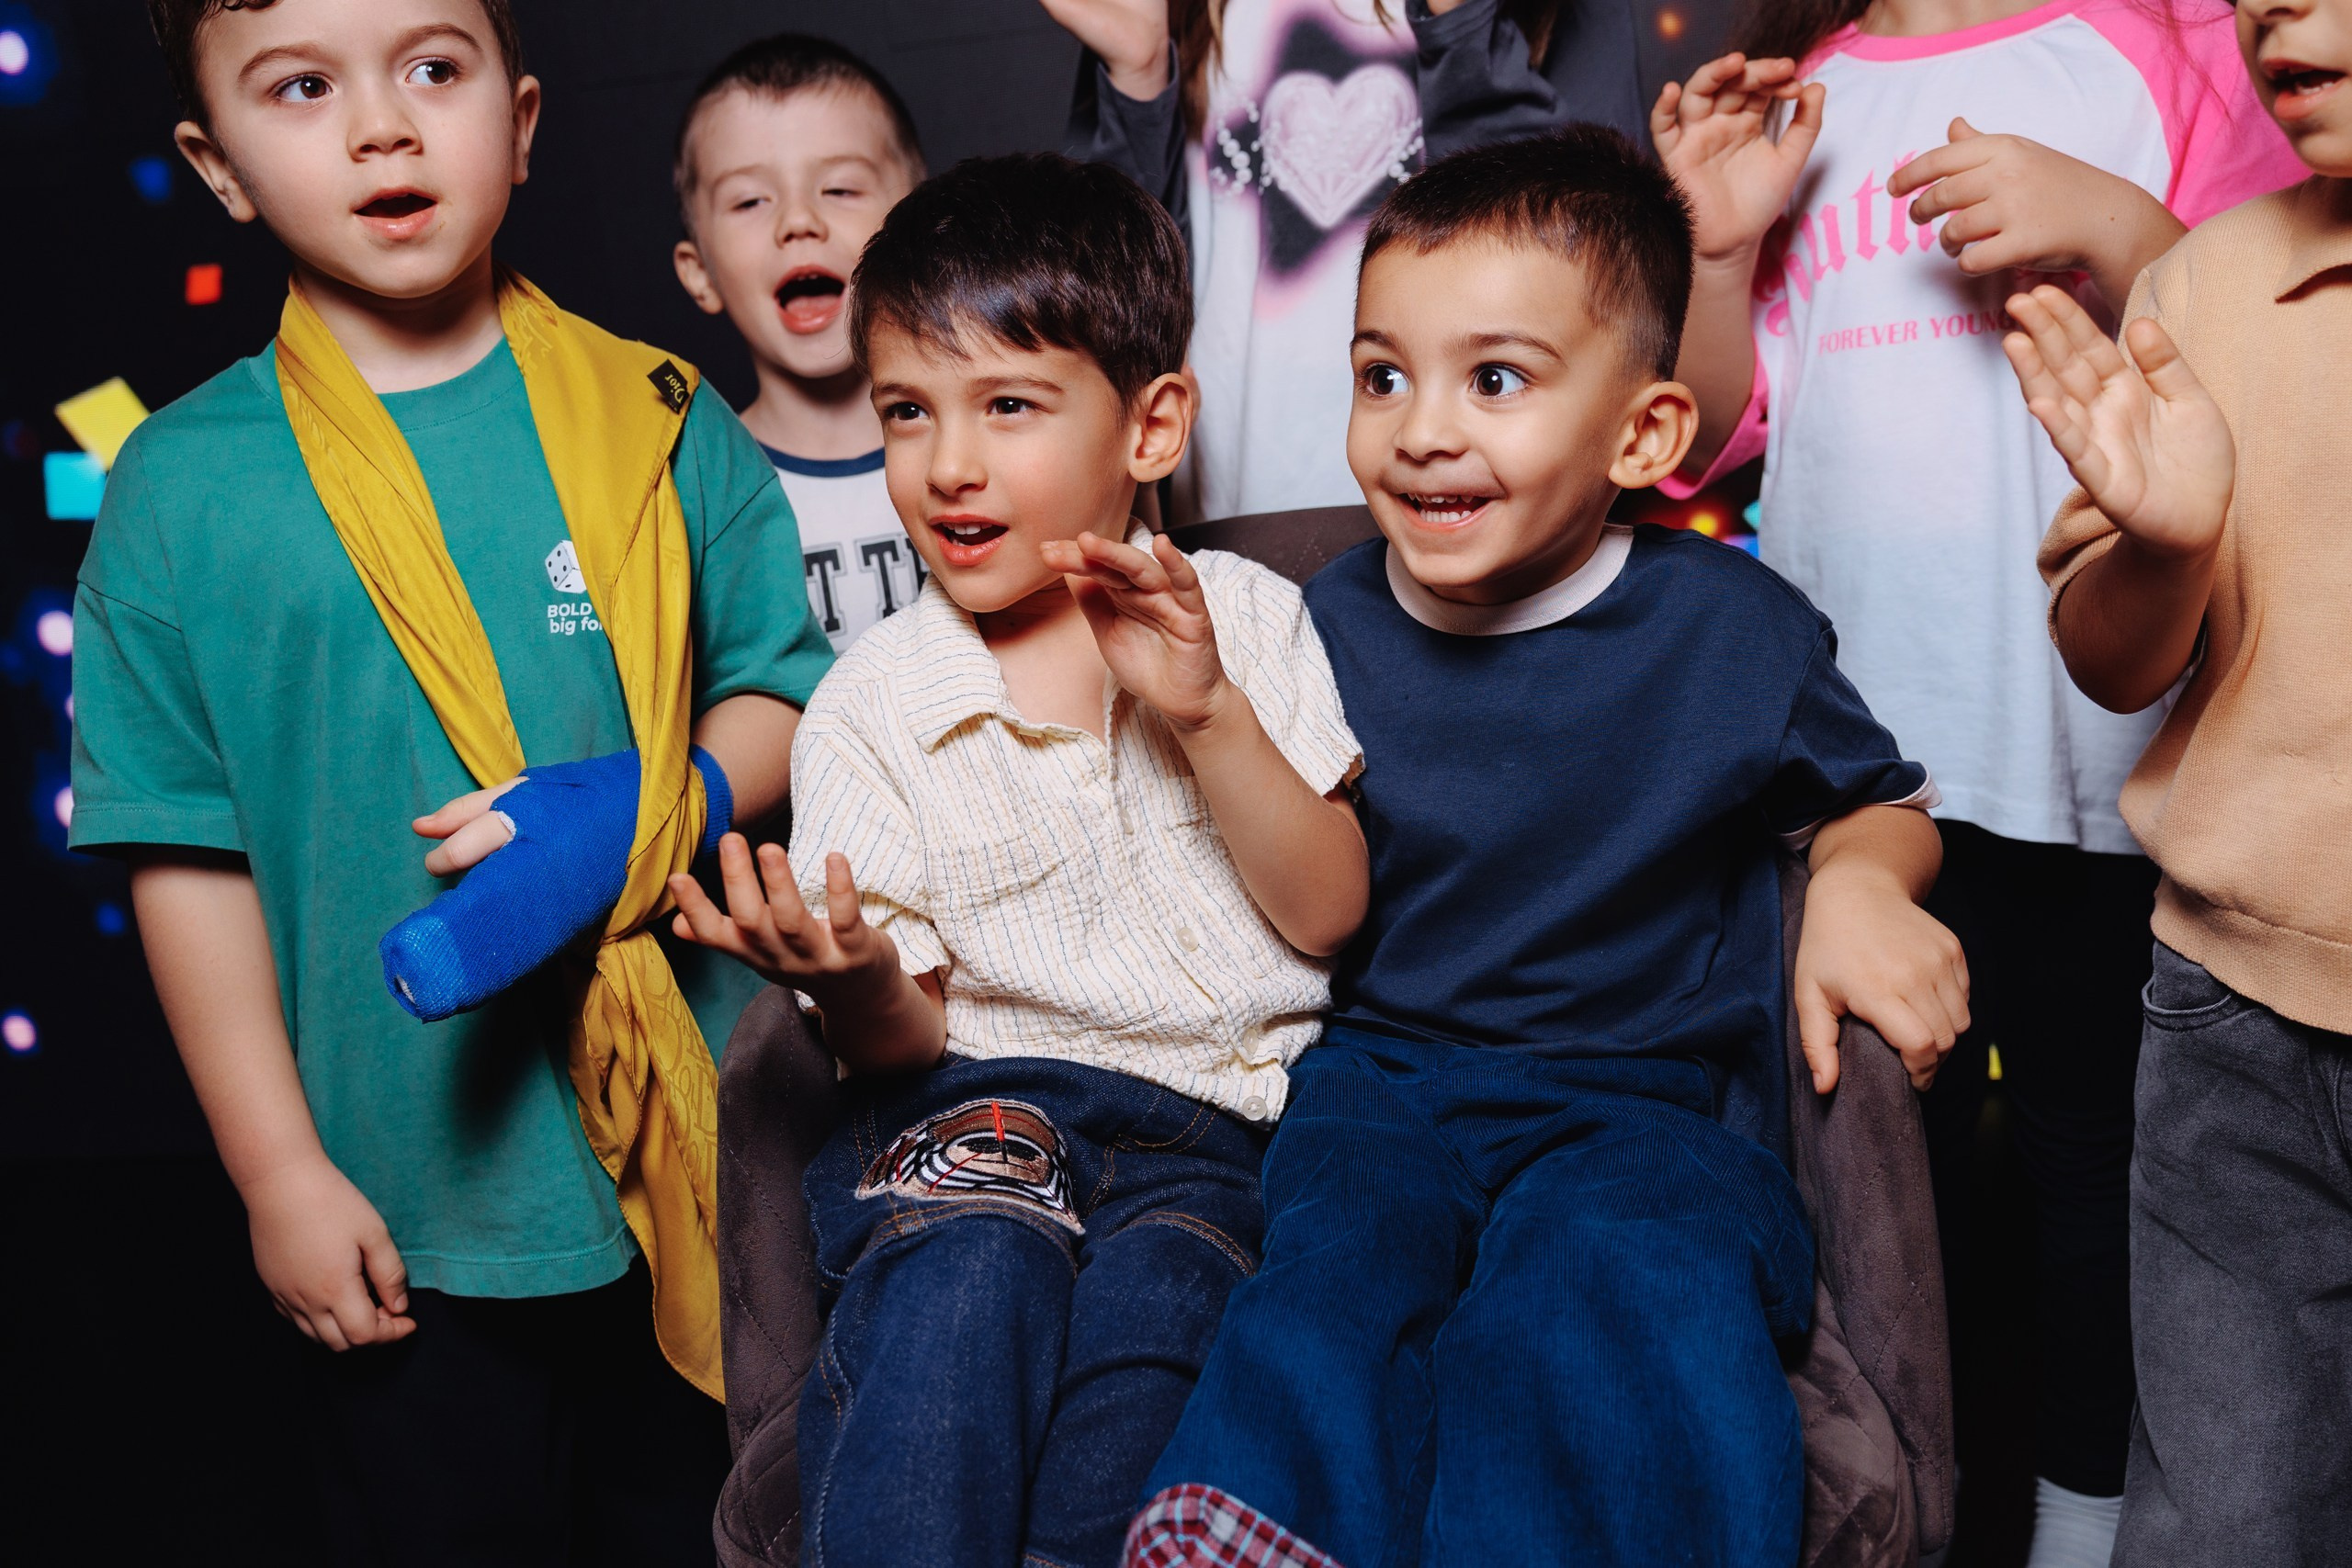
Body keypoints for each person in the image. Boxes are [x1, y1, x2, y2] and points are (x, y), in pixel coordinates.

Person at [1128, 126, 1969, 1568]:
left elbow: (1874, 797)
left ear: (1640, 436)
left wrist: (1862, 882)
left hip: (1647, 1101)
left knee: (1619, 1271)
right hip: (1384, 1075)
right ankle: (1250, 1529)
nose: (1422, 426)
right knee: (1333, 1265)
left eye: (1494, 379)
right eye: (1381, 374)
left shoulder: (1730, 628)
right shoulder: (1316, 623)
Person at [70, 1, 831, 1560]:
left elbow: (788, 690)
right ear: (219, 166)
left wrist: (651, 801)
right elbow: (185, 853)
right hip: (399, 1180)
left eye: (434, 68)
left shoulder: (662, 417)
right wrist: (277, 1167)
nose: (382, 127)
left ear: (525, 119)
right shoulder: (179, 487)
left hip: (701, 1155)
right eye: (303, 86)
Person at [1654, 3, 2301, 1556]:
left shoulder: (2173, 44)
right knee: (1877, 1197)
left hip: (2087, 756)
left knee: (2102, 1178)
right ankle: (1895, 1521)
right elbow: (1711, 429)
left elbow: (2282, 346)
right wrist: (1717, 248)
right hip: (1852, 777)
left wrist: (2111, 219)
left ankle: (2083, 1527)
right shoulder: (1800, 97)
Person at [665, 152, 1369, 1568]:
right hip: (982, 1109)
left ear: (1153, 424)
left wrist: (1208, 712)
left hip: (1207, 1139)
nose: (948, 464)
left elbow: (1329, 911)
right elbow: (899, 1040)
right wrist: (855, 971)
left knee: (1157, 1335)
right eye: (908, 412)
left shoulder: (1248, 617)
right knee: (969, 1271)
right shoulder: (871, 700)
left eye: (1009, 405)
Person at [2000, 0, 2352, 1555]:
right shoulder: (2204, 283)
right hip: (2230, 1021)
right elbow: (2112, 660)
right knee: (2220, 1512)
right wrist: (2165, 537)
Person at [1046, 0, 1645, 523]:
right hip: (1235, 525)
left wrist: (1465, 31)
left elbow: (1589, 275)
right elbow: (1112, 300)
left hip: (1468, 524)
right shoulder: (1192, 9)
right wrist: (1139, 80)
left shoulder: (1568, 11)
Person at [671, 32, 927, 654]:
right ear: (699, 272)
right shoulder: (692, 495)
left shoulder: (996, 450)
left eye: (839, 189)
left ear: (919, 225)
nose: (797, 222)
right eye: (750, 200)